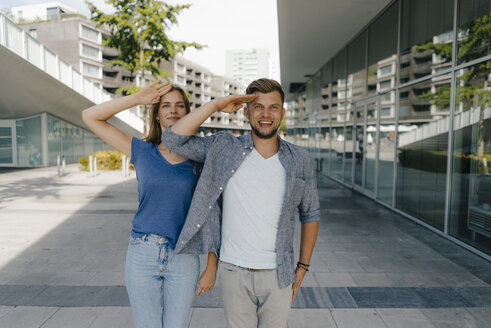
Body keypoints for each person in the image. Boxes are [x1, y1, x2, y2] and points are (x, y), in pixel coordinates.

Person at [161, 78, 320, 328]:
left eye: (273, 107)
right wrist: (215, 105)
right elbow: (172, 140)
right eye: (258, 107)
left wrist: (302, 267)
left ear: (283, 113)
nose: (266, 114)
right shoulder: (224, 147)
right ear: (245, 111)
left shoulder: (299, 159)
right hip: (234, 271)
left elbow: (310, 214)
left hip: (279, 274)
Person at [81, 82, 217, 328]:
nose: (173, 111)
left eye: (179, 106)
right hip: (142, 253)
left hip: (184, 257)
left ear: (188, 113)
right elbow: (90, 117)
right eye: (165, 105)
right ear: (156, 114)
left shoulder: (201, 157)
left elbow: (213, 212)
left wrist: (212, 264)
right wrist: (137, 98)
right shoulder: (143, 151)